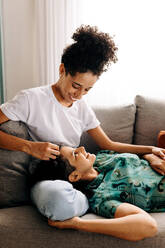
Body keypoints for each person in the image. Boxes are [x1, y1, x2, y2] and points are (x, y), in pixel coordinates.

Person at [0, 25, 165, 221]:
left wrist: (151, 149)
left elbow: (108, 145)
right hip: (47, 174)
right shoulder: (30, 99)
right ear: (62, 70)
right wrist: (29, 147)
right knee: (57, 198)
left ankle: (87, 203)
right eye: (76, 86)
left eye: (87, 90)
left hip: (76, 172)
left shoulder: (81, 107)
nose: (78, 95)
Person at [29, 145, 164, 241]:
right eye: (76, 154)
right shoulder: (102, 198)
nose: (82, 148)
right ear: (74, 176)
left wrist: (151, 157)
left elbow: (141, 157)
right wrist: (77, 224)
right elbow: (148, 226)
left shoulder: (101, 157)